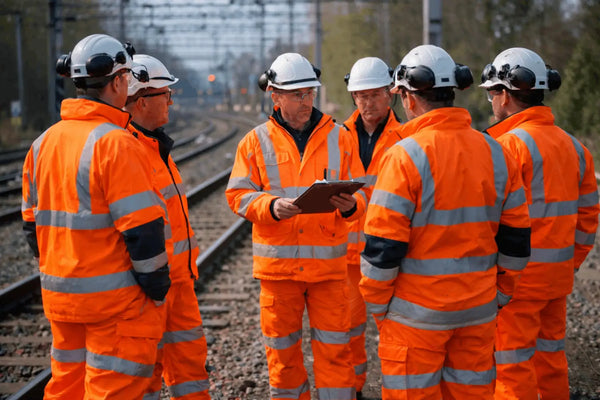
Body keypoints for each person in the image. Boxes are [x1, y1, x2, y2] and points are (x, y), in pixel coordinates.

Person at [358, 44, 532, 400]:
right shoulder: (495, 151)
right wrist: (499, 294)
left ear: (408, 99)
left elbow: (382, 247)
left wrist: (378, 307)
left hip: (414, 318)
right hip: (478, 311)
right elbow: (517, 239)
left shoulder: (404, 156)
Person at [21, 34, 171, 399]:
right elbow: (143, 231)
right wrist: (157, 290)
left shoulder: (43, 143)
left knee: (66, 387)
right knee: (112, 390)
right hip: (114, 306)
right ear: (119, 81)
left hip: (61, 300)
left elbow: (31, 226)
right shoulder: (117, 144)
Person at [225, 52, 367, 400]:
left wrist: (351, 207)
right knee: (283, 357)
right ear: (275, 95)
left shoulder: (340, 136)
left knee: (336, 352)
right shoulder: (255, 142)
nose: (306, 101)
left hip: (328, 271)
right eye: (297, 94)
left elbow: (361, 193)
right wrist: (271, 206)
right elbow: (238, 195)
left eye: (309, 93)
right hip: (279, 272)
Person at [480, 47, 600, 400]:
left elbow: (491, 220)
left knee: (512, 365)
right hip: (556, 279)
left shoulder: (506, 147)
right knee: (551, 361)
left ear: (505, 95)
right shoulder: (575, 147)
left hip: (515, 284)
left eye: (492, 93)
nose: (491, 102)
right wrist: (569, 263)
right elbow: (589, 217)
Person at [124, 54, 211, 400]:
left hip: (180, 284)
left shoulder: (156, 145)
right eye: (166, 95)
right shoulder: (127, 150)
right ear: (142, 101)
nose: (172, 102)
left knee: (191, 371)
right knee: (145, 375)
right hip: (149, 289)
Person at [342, 56, 405, 398]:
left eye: (374, 94)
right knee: (348, 332)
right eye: (360, 96)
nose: (367, 102)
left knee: (395, 332)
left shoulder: (405, 136)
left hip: (392, 251)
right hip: (349, 254)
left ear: (391, 92)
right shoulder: (337, 135)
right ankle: (353, 391)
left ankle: (394, 392)